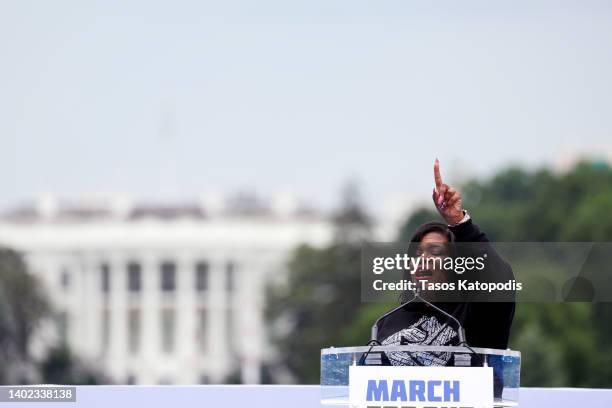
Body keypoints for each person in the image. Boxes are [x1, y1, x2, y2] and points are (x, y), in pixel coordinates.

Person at [375, 159, 515, 367]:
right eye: (417, 253)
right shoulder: (388, 322)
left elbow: (500, 279)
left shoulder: (476, 313)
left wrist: (459, 223)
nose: (423, 260)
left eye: (435, 252)